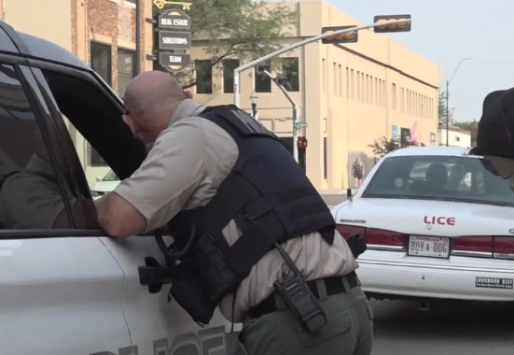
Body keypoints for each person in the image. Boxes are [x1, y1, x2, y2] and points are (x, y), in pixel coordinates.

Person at [94, 71, 373, 355]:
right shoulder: (241, 125)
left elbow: (118, 218)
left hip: (301, 323)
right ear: (188, 97)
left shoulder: (190, 135)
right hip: (350, 306)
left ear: (130, 123)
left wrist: (78, 205)